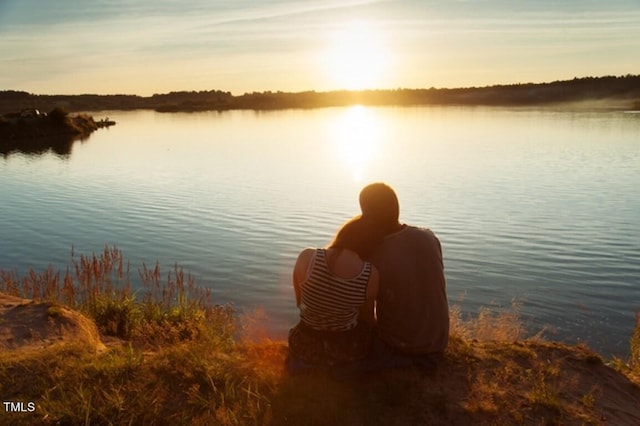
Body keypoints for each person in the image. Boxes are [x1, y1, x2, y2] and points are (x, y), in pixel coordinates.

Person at [359, 182, 449, 370]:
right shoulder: (429, 238)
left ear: (366, 215)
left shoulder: (373, 254)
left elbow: (365, 313)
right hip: (438, 343)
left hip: (399, 347)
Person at [288, 216, 380, 371]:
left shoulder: (307, 257)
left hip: (303, 346)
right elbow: (368, 319)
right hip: (345, 351)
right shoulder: (370, 274)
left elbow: (300, 304)